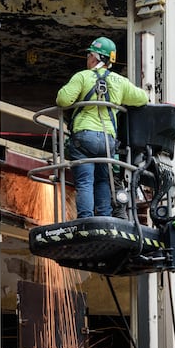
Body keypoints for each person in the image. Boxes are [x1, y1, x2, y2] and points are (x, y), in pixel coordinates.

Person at [56, 37, 148, 218]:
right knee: (103, 181)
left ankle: (86, 219)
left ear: (95, 57)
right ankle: (106, 216)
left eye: (89, 54)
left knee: (84, 182)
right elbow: (142, 98)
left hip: (84, 137)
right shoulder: (119, 81)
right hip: (107, 141)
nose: (87, 58)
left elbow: (63, 100)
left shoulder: (82, 77)